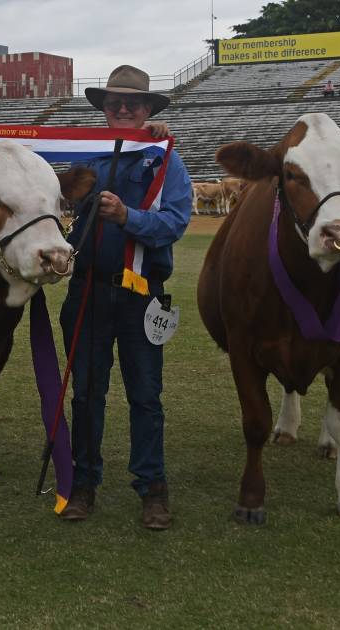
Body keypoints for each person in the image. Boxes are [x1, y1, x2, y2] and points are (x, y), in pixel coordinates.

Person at [58, 65, 192, 530]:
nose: (121, 108)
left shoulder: (164, 158)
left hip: (141, 295)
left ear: (148, 109)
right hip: (88, 293)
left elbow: (174, 222)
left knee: (146, 397)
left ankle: (152, 489)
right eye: (113, 102)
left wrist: (127, 217)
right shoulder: (85, 158)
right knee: (85, 395)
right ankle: (83, 485)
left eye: (131, 103)